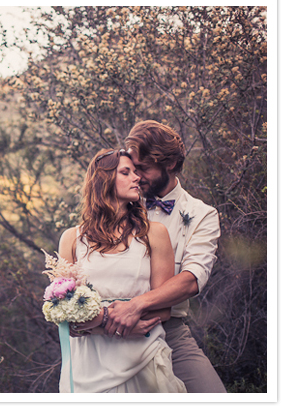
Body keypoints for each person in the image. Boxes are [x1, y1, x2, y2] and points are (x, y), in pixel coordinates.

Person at [102, 120, 226, 393]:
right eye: (132, 169)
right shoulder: (122, 202)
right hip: (113, 331)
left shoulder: (202, 215)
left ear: (168, 164)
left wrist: (135, 306)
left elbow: (192, 280)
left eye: (143, 169)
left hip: (170, 331)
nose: (137, 176)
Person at [57, 148, 186, 393]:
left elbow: (164, 309)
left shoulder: (154, 233)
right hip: (89, 363)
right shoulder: (72, 239)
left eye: (136, 172)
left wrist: (109, 321)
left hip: (142, 354)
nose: (136, 178)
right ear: (103, 180)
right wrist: (109, 324)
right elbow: (64, 311)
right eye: (125, 172)